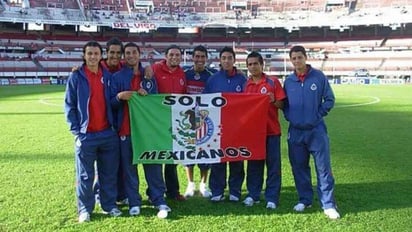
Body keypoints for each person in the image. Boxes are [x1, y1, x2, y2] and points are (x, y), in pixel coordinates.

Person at [110, 42, 171, 218]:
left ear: (139, 54)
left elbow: (155, 103)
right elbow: (111, 103)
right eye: (127, 53)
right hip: (126, 130)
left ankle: (159, 199)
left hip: (147, 132)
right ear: (124, 56)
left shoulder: (149, 76)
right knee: (129, 170)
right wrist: (119, 97)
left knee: (153, 167)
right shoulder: (117, 78)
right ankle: (134, 202)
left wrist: (147, 96)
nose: (130, 55)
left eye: (133, 52)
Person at [64, 41, 122, 223]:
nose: (93, 57)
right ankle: (84, 209)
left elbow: (112, 101)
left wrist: (120, 98)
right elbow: (69, 105)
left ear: (100, 55)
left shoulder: (108, 76)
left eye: (96, 53)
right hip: (86, 135)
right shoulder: (76, 77)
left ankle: (109, 205)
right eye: (89, 53)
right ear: (84, 55)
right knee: (84, 175)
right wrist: (76, 131)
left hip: (107, 133)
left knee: (109, 173)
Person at [283, 45, 340, 219]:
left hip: (316, 130)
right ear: (291, 60)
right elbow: (284, 104)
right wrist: (290, 117)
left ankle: (328, 204)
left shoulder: (318, 77)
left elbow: (329, 99)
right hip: (296, 131)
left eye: (300, 57)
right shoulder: (288, 81)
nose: (297, 61)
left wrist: (318, 115)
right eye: (294, 58)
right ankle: (305, 199)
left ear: (305, 58)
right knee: (299, 167)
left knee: (323, 168)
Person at [243, 51, 286, 209]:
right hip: (254, 134)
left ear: (262, 65)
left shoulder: (273, 82)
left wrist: (273, 101)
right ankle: (253, 195)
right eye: (250, 64)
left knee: (273, 166)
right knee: (254, 165)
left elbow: (282, 105)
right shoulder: (246, 85)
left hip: (272, 131)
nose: (253, 67)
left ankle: (272, 197)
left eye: (255, 63)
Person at [203, 46, 247, 202]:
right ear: (220, 61)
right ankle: (217, 191)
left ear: (234, 60)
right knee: (218, 159)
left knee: (236, 158)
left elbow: (249, 102)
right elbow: (205, 101)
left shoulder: (242, 79)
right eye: (224, 58)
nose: (227, 61)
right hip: (218, 126)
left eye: (229, 58)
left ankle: (235, 191)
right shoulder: (213, 79)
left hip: (237, 126)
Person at [152, 44, 186, 201]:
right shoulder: (154, 69)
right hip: (157, 121)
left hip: (175, 121)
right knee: (158, 158)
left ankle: (173, 191)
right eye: (171, 54)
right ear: (165, 56)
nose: (174, 57)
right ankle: (155, 191)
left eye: (177, 55)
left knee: (172, 158)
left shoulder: (182, 73)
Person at [182, 45, 217, 198]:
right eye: (197, 56)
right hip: (187, 118)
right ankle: (190, 184)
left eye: (203, 57)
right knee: (188, 151)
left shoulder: (212, 75)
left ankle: (204, 184)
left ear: (206, 58)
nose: (200, 59)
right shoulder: (184, 74)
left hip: (206, 119)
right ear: (192, 58)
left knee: (205, 152)